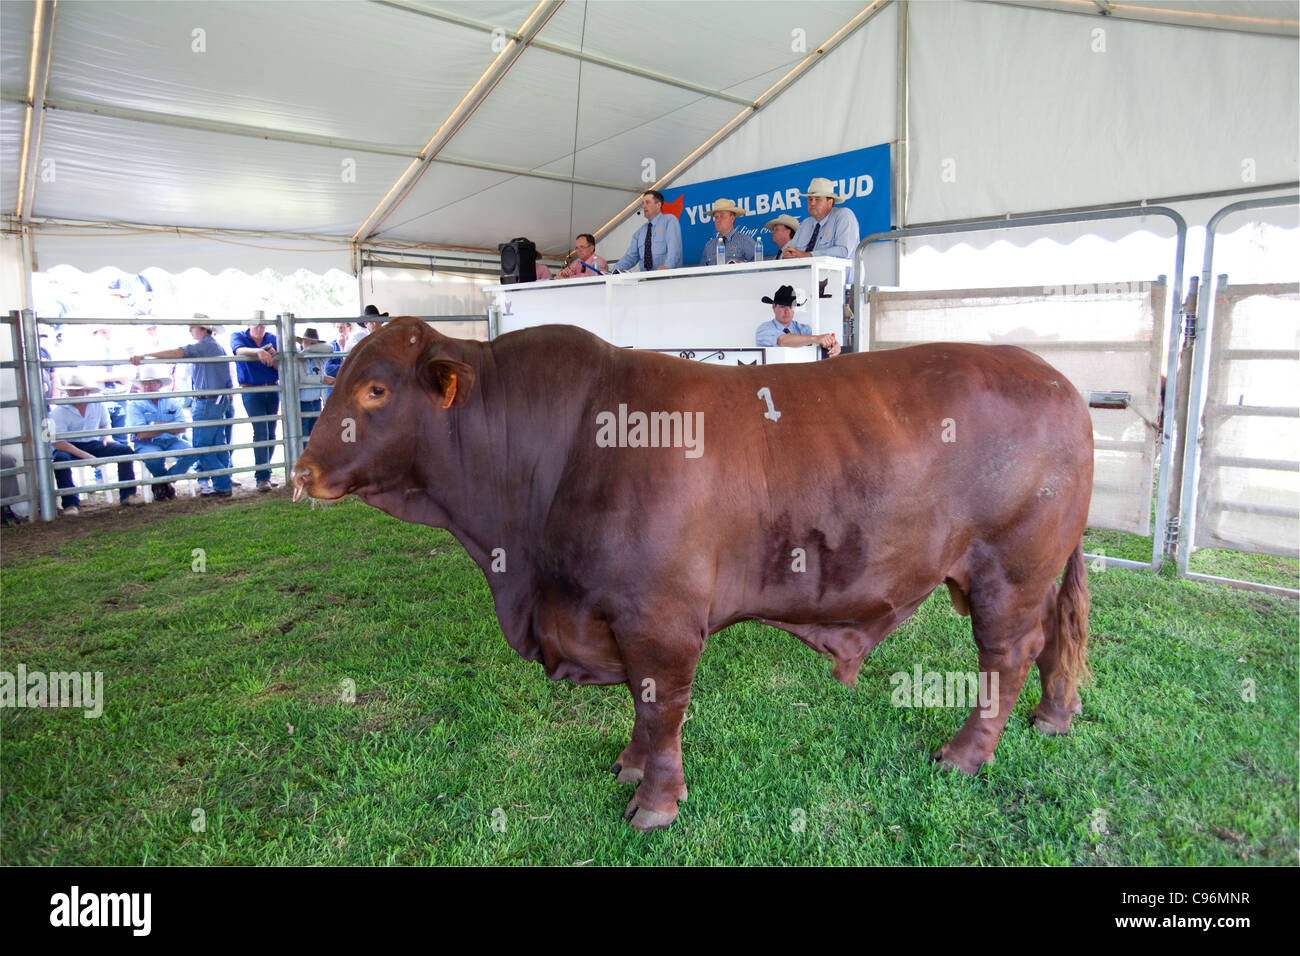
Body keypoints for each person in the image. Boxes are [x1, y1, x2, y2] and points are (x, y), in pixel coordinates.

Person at [131, 318, 234, 498]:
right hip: (217, 400)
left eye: (192, 326)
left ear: (203, 328)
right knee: (218, 444)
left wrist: (147, 355)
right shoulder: (215, 346)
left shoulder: (205, 346)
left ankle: (165, 480)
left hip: (207, 401)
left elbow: (178, 352)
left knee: (200, 447)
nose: (189, 330)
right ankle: (222, 485)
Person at [50, 372, 146, 515]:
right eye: (71, 391)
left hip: (92, 442)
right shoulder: (59, 410)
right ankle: (70, 504)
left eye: (78, 391)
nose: (74, 394)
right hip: (68, 446)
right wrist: (86, 455)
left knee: (125, 450)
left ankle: (128, 494)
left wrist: (107, 437)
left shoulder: (97, 404)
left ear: (87, 392)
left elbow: (105, 424)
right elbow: (58, 442)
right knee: (60, 460)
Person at [126, 366, 198, 501]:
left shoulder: (172, 400)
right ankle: (166, 483)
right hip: (147, 443)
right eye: (145, 383)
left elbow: (182, 427)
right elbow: (141, 434)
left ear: (159, 384)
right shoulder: (135, 404)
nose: (148, 386)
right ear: (141, 385)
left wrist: (154, 426)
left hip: (173, 441)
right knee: (153, 458)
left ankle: (161, 482)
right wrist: (169, 426)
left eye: (152, 383)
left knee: (192, 453)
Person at [231, 312, 280, 493]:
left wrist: (275, 357)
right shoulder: (239, 337)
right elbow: (238, 350)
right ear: (249, 325)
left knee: (271, 431)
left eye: (262, 325)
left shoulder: (273, 339)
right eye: (256, 325)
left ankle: (265, 471)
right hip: (251, 389)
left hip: (272, 388)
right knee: (261, 429)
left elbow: (280, 366)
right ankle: (262, 477)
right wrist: (258, 351)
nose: (259, 329)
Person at [780, 177, 862, 282]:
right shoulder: (806, 224)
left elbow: (844, 251)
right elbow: (789, 249)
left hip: (843, 289)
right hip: (809, 286)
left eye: (817, 199)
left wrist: (808, 255)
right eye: (810, 199)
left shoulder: (844, 215)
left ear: (830, 202)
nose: (812, 203)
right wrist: (787, 254)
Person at [754, 284, 839, 358]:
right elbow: (782, 341)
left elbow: (822, 342)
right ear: (773, 307)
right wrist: (816, 338)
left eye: (790, 307)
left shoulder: (804, 329)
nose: (787, 311)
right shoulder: (764, 330)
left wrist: (833, 345)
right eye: (783, 306)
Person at [611, 190, 682, 272]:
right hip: (646, 281)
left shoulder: (669, 220)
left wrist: (667, 267)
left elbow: (674, 250)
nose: (644, 206)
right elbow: (630, 257)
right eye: (643, 203)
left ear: (658, 205)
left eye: (647, 202)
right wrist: (613, 271)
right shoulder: (640, 232)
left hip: (668, 278)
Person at [295, 328, 335, 439]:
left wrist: (307, 351)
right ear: (302, 343)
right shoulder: (296, 359)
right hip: (302, 405)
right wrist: (323, 378)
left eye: (313, 343)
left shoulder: (318, 359)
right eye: (306, 342)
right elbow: (303, 379)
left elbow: (330, 347)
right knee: (303, 439)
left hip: (317, 403)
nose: (309, 345)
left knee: (315, 438)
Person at [697, 198, 755, 266]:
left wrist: (740, 265)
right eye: (716, 217)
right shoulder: (709, 246)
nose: (718, 220)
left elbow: (758, 267)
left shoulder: (745, 241)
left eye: (722, 216)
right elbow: (702, 273)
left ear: (732, 219)